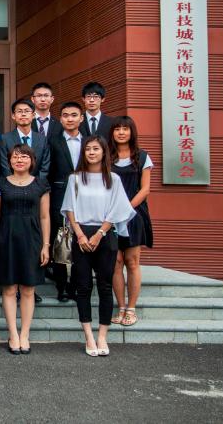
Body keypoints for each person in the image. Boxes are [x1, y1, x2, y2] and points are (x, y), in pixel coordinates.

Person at [61, 136, 135, 357]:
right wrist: (80, 235)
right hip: (81, 235)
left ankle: (102, 335)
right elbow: (69, 209)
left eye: (96, 149)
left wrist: (100, 233)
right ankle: (89, 336)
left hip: (105, 235)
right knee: (83, 287)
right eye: (88, 149)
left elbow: (117, 209)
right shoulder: (75, 178)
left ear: (104, 152)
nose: (91, 152)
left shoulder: (113, 179)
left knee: (104, 286)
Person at [0, 144, 50, 354]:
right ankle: (13, 334)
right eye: (15, 157)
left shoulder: (40, 184)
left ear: (32, 161)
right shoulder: (1, 183)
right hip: (7, 237)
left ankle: (25, 334)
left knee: (28, 289)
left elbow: (44, 216)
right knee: (9, 289)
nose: (19, 160)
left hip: (32, 239)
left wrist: (46, 245)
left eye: (24, 157)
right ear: (9, 161)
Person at [109, 116, 154, 327]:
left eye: (125, 129)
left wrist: (125, 208)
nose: (121, 132)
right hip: (110, 216)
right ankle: (120, 307)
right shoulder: (107, 156)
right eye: (117, 129)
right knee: (116, 262)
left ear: (131, 132)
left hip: (134, 215)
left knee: (132, 262)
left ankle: (131, 308)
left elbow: (145, 189)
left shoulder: (142, 157)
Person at [47, 101, 85, 302]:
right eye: (65, 115)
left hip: (86, 199)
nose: (70, 119)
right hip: (59, 197)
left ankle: (76, 286)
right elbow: (48, 171)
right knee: (60, 241)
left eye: (74, 115)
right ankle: (61, 286)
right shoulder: (52, 142)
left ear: (81, 118)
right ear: (60, 119)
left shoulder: (89, 142)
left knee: (80, 241)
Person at [0, 98, 50, 179]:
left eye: (27, 111)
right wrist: (15, 182)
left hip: (37, 184)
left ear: (33, 115)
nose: (23, 114)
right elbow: (5, 166)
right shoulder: (5, 139)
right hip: (12, 184)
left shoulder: (42, 139)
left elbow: (45, 167)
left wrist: (35, 183)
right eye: (19, 111)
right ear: (13, 116)